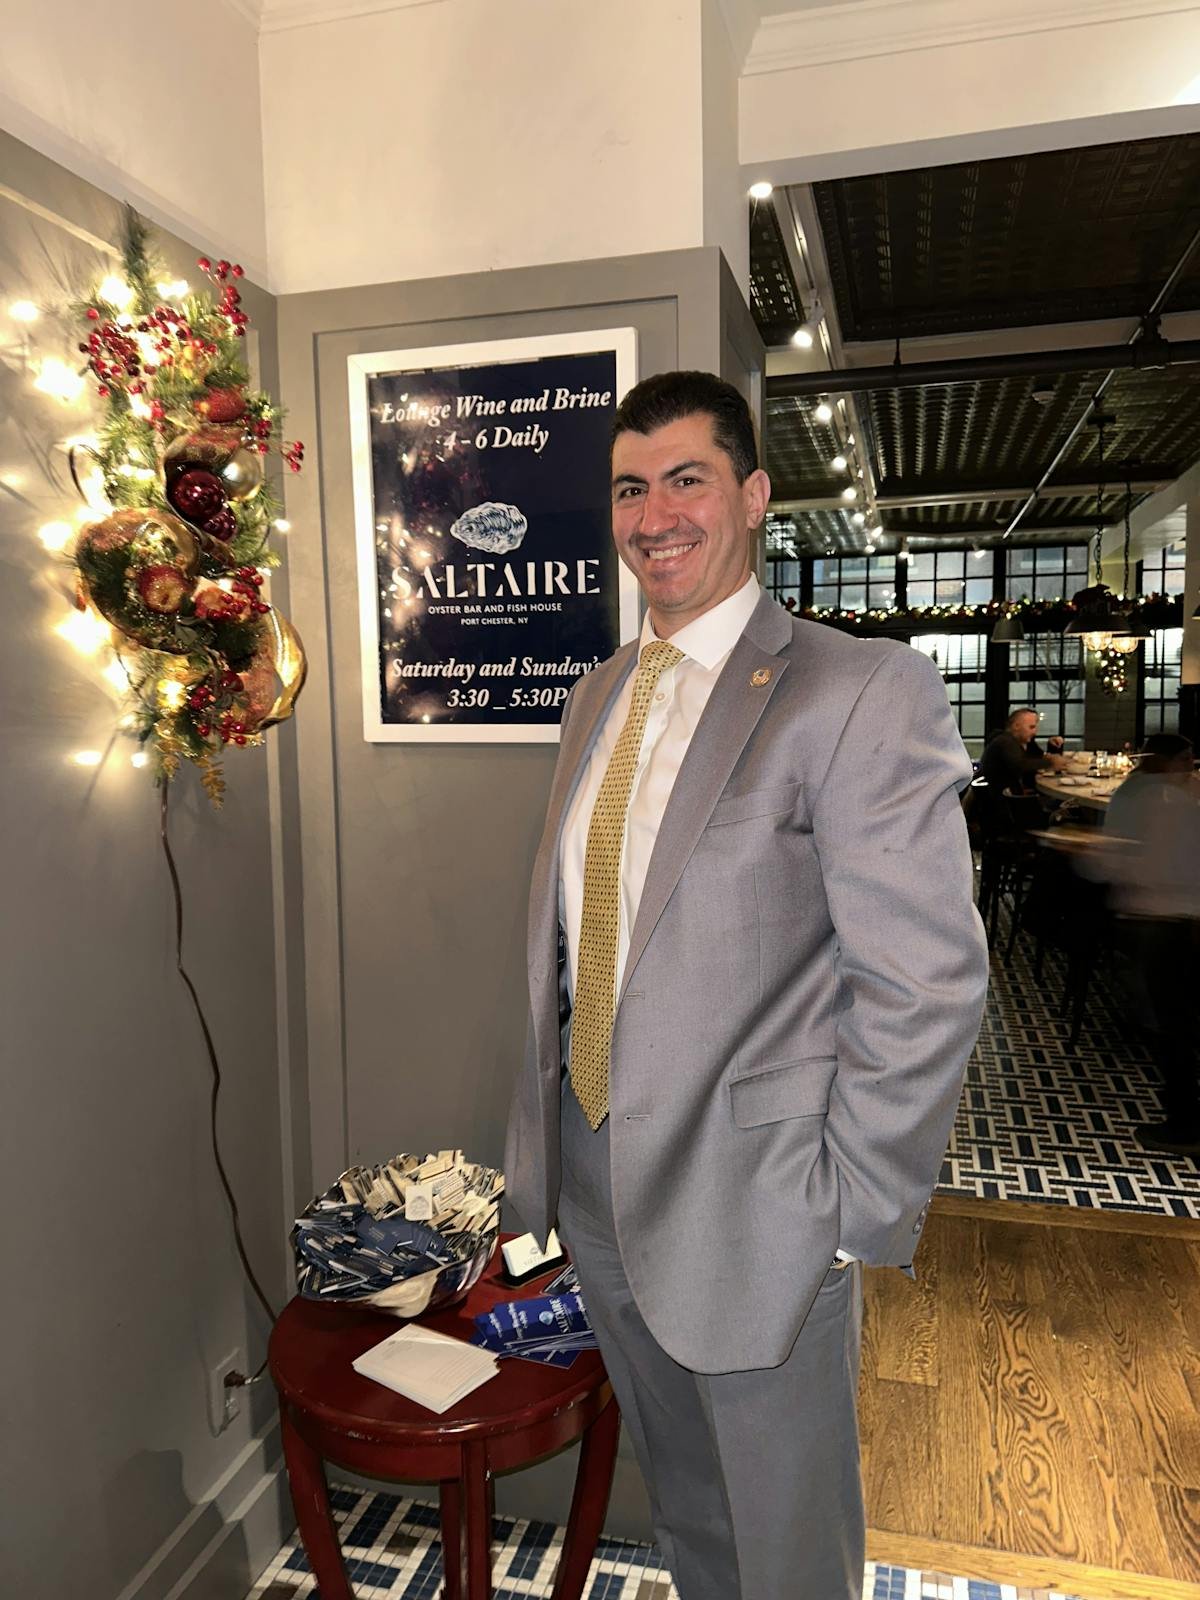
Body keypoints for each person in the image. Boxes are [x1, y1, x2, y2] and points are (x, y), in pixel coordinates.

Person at [504, 370, 989, 1600]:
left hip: (768, 1204)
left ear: (755, 495)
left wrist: (847, 1210)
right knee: (690, 1511)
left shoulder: (855, 689)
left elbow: (926, 979)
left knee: (787, 1546)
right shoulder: (598, 693)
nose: (654, 515)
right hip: (600, 1179)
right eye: (630, 488)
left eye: (688, 480)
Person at [1101, 733, 1200, 1155]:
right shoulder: (1175, 797)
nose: (1191, 766)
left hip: (1161, 918)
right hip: (1178, 916)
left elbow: (1117, 861)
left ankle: (1186, 1126)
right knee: (1178, 1020)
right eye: (1187, 759)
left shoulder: (1140, 796)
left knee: (1173, 1023)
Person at [977, 707, 1067, 832]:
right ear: (1016, 726)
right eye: (1031, 727)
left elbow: (1037, 758)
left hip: (1010, 804)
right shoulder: (1005, 742)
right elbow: (1020, 765)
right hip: (1009, 811)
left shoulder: (1016, 741)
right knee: (1065, 810)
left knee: (1060, 803)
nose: (1035, 732)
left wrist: (1051, 747)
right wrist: (1051, 762)